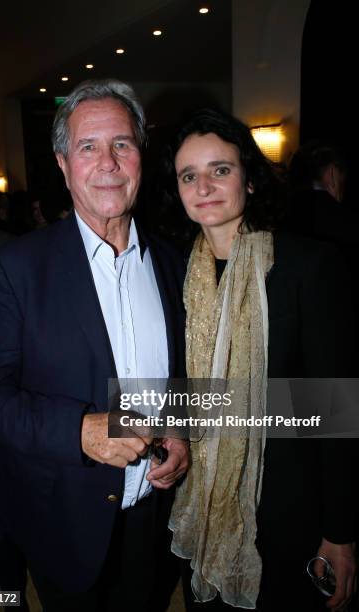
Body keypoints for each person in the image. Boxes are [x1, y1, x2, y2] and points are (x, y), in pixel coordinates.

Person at [0, 79, 189, 612]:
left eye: (122, 144)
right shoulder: (15, 269)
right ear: (63, 164)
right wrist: (79, 430)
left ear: (141, 158)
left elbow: (176, 376)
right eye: (88, 147)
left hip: (155, 514)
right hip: (63, 520)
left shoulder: (174, 265)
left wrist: (179, 430)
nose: (107, 161)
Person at [161, 109, 357, 612]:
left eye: (220, 169)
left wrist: (340, 531)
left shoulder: (307, 266)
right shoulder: (178, 275)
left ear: (249, 178)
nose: (203, 186)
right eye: (189, 175)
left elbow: (335, 410)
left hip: (289, 514)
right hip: (204, 507)